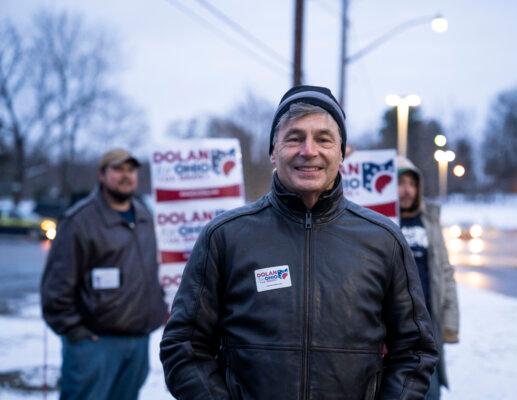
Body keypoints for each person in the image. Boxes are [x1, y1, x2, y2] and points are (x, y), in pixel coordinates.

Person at [160, 85, 438, 400]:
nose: (309, 150)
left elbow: (414, 351)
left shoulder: (383, 239)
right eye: (294, 138)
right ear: (272, 151)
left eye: (323, 139)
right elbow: (183, 347)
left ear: (342, 153)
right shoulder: (224, 237)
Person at [41, 148, 167, 400]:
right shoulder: (80, 220)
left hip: (137, 343)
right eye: (117, 169)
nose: (126, 175)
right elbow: (56, 287)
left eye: (131, 170)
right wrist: (75, 331)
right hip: (94, 345)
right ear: (101, 174)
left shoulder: (145, 217)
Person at [397, 156, 460, 400]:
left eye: (412, 184)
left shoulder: (430, 221)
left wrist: (450, 321)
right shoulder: (378, 221)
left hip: (427, 324)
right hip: (393, 325)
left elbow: (445, 271)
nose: (407, 190)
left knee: (430, 390)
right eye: (400, 183)